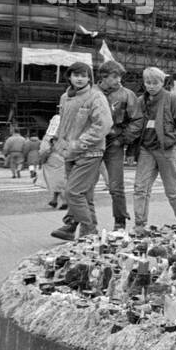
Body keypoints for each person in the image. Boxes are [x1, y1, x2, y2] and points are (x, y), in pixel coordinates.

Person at [49, 62, 112, 240]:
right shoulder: (64, 97)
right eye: (76, 75)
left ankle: (89, 229)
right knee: (85, 196)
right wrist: (58, 143)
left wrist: (80, 143)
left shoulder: (95, 97)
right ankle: (82, 234)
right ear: (69, 77)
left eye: (84, 75)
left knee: (73, 192)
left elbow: (104, 125)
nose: (79, 78)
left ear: (89, 78)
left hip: (90, 152)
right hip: (69, 152)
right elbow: (62, 123)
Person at [132, 66, 176, 231]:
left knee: (172, 189)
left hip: (167, 149)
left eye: (154, 83)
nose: (150, 86)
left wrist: (175, 142)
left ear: (162, 82)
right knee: (140, 187)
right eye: (147, 82)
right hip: (146, 148)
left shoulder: (173, 99)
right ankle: (139, 224)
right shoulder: (140, 101)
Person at [96, 60, 144, 231]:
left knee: (116, 186)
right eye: (115, 77)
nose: (119, 80)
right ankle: (82, 223)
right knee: (82, 185)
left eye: (120, 77)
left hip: (114, 143)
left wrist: (123, 139)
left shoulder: (127, 95)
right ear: (104, 76)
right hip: (91, 143)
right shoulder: (91, 93)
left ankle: (120, 221)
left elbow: (137, 120)